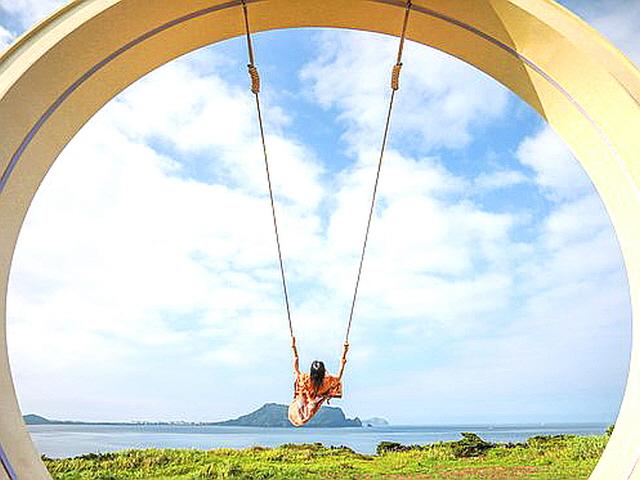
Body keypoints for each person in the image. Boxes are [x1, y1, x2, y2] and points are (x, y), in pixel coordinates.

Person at [287, 338, 348, 427]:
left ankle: (301, 412)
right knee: (335, 385)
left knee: (300, 403)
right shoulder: (328, 381)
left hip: (305, 400)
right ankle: (306, 409)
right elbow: (339, 374)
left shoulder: (305, 380)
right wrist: (345, 351)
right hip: (313, 404)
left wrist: (294, 347)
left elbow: (296, 367)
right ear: (323, 371)